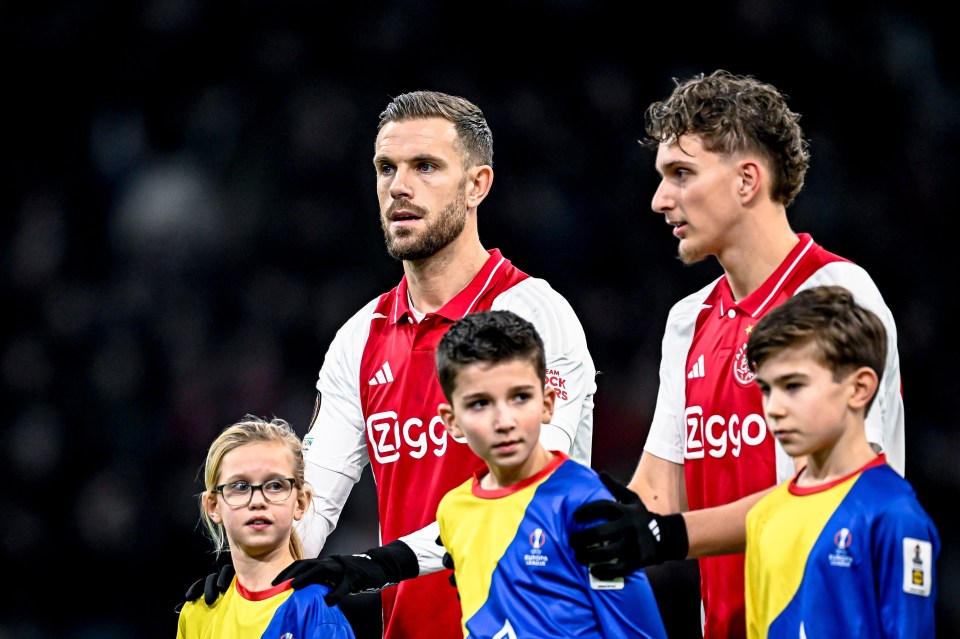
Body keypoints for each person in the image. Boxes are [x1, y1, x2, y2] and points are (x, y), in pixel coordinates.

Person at [187, 91, 597, 639]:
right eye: (387, 168)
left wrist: (383, 564)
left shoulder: (534, 315)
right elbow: (314, 499)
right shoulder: (359, 339)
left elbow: (527, 497)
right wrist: (249, 575)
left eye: (425, 167)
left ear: (478, 184)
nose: (399, 187)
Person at [569, 70, 905, 639]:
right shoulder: (688, 320)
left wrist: (665, 537)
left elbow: (832, 492)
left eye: (681, 174)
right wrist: (560, 523)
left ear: (747, 180)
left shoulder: (835, 295)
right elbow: (658, 492)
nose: (659, 200)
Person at [434, 309, 667, 639]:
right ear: (451, 420)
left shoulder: (588, 505)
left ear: (547, 403)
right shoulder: (453, 510)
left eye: (520, 397)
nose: (504, 421)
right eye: (480, 403)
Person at [744, 285, 938, 637]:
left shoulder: (894, 515)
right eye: (766, 389)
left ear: (859, 388)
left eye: (794, 386)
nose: (774, 408)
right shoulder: (762, 517)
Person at [177, 415, 356, 639]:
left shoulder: (315, 610)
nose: (257, 500)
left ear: (301, 502)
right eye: (240, 486)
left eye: (274, 485)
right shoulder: (196, 614)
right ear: (213, 505)